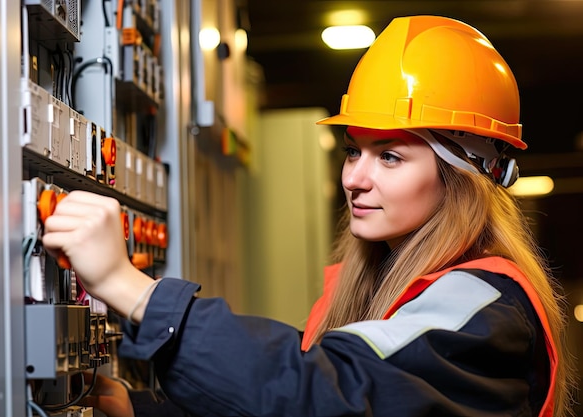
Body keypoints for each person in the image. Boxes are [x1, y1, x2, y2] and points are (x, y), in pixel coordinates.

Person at [43, 15, 575, 417]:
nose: (354, 178)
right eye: (353, 151)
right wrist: (144, 410)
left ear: (464, 176)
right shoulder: (387, 286)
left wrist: (129, 287)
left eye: (389, 156)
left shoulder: (483, 310)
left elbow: (328, 395)